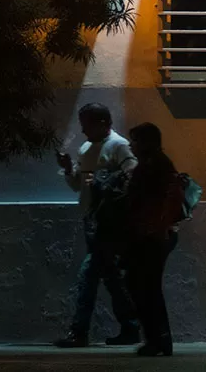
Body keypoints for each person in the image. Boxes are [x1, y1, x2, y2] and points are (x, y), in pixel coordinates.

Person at [53, 103, 139, 348]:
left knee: (89, 275)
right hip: (92, 219)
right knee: (111, 277)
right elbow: (79, 187)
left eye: (86, 124)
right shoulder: (85, 148)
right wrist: (70, 170)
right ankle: (130, 327)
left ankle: (79, 331)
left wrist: (105, 183)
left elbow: (132, 177)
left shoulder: (119, 146)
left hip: (109, 223)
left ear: (102, 123)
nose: (82, 130)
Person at [122, 122, 183, 357]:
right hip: (147, 234)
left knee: (144, 287)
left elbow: (169, 199)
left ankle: (157, 339)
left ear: (146, 142)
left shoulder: (155, 166)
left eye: (135, 141)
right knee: (144, 286)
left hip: (151, 236)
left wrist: (157, 227)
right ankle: (158, 339)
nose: (131, 145)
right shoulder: (153, 165)